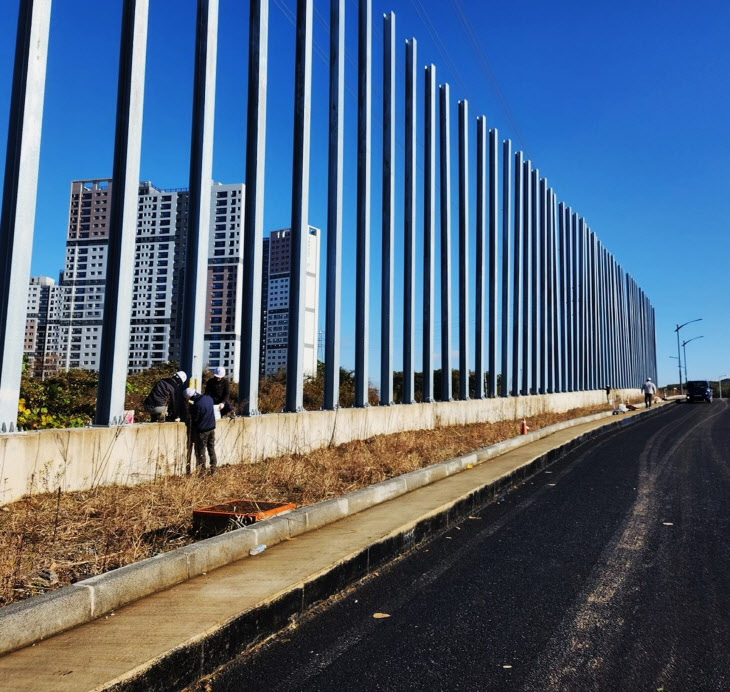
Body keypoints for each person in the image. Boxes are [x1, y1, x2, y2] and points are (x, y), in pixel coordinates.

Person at [184, 388, 218, 474]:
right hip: (211, 429)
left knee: (201, 451)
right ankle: (213, 469)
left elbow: (195, 419)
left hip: (202, 431)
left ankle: (202, 472)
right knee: (211, 449)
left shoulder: (197, 405)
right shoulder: (209, 398)